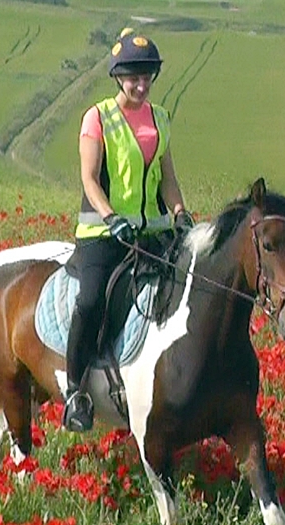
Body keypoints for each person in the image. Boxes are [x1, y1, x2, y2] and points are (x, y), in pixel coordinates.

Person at [63, 28, 195, 432]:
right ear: (118, 77)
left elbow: (167, 177)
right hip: (103, 235)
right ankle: (75, 392)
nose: (141, 85)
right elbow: (89, 179)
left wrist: (179, 212)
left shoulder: (161, 118)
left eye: (146, 77)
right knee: (90, 301)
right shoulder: (98, 117)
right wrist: (110, 217)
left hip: (152, 233)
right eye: (133, 78)